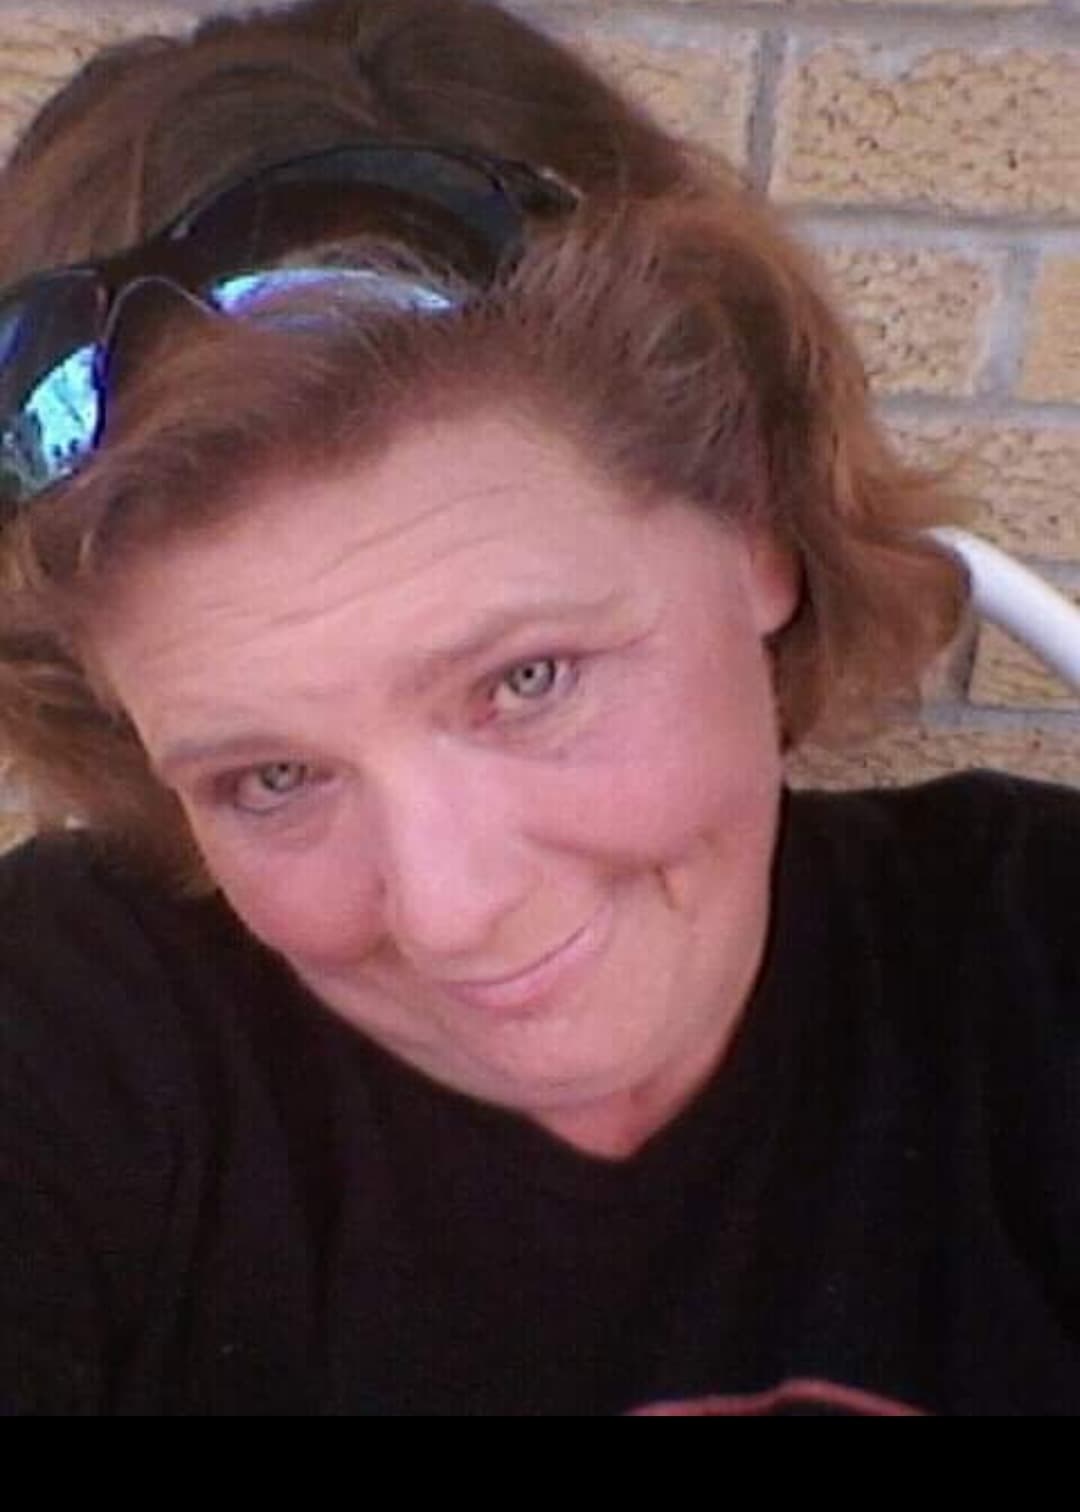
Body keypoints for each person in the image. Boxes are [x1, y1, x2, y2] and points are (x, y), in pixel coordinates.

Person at [0, 0, 1076, 1418]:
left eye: (525, 681)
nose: (452, 913)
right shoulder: (67, 1040)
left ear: (756, 524)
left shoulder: (1040, 970)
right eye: (271, 777)